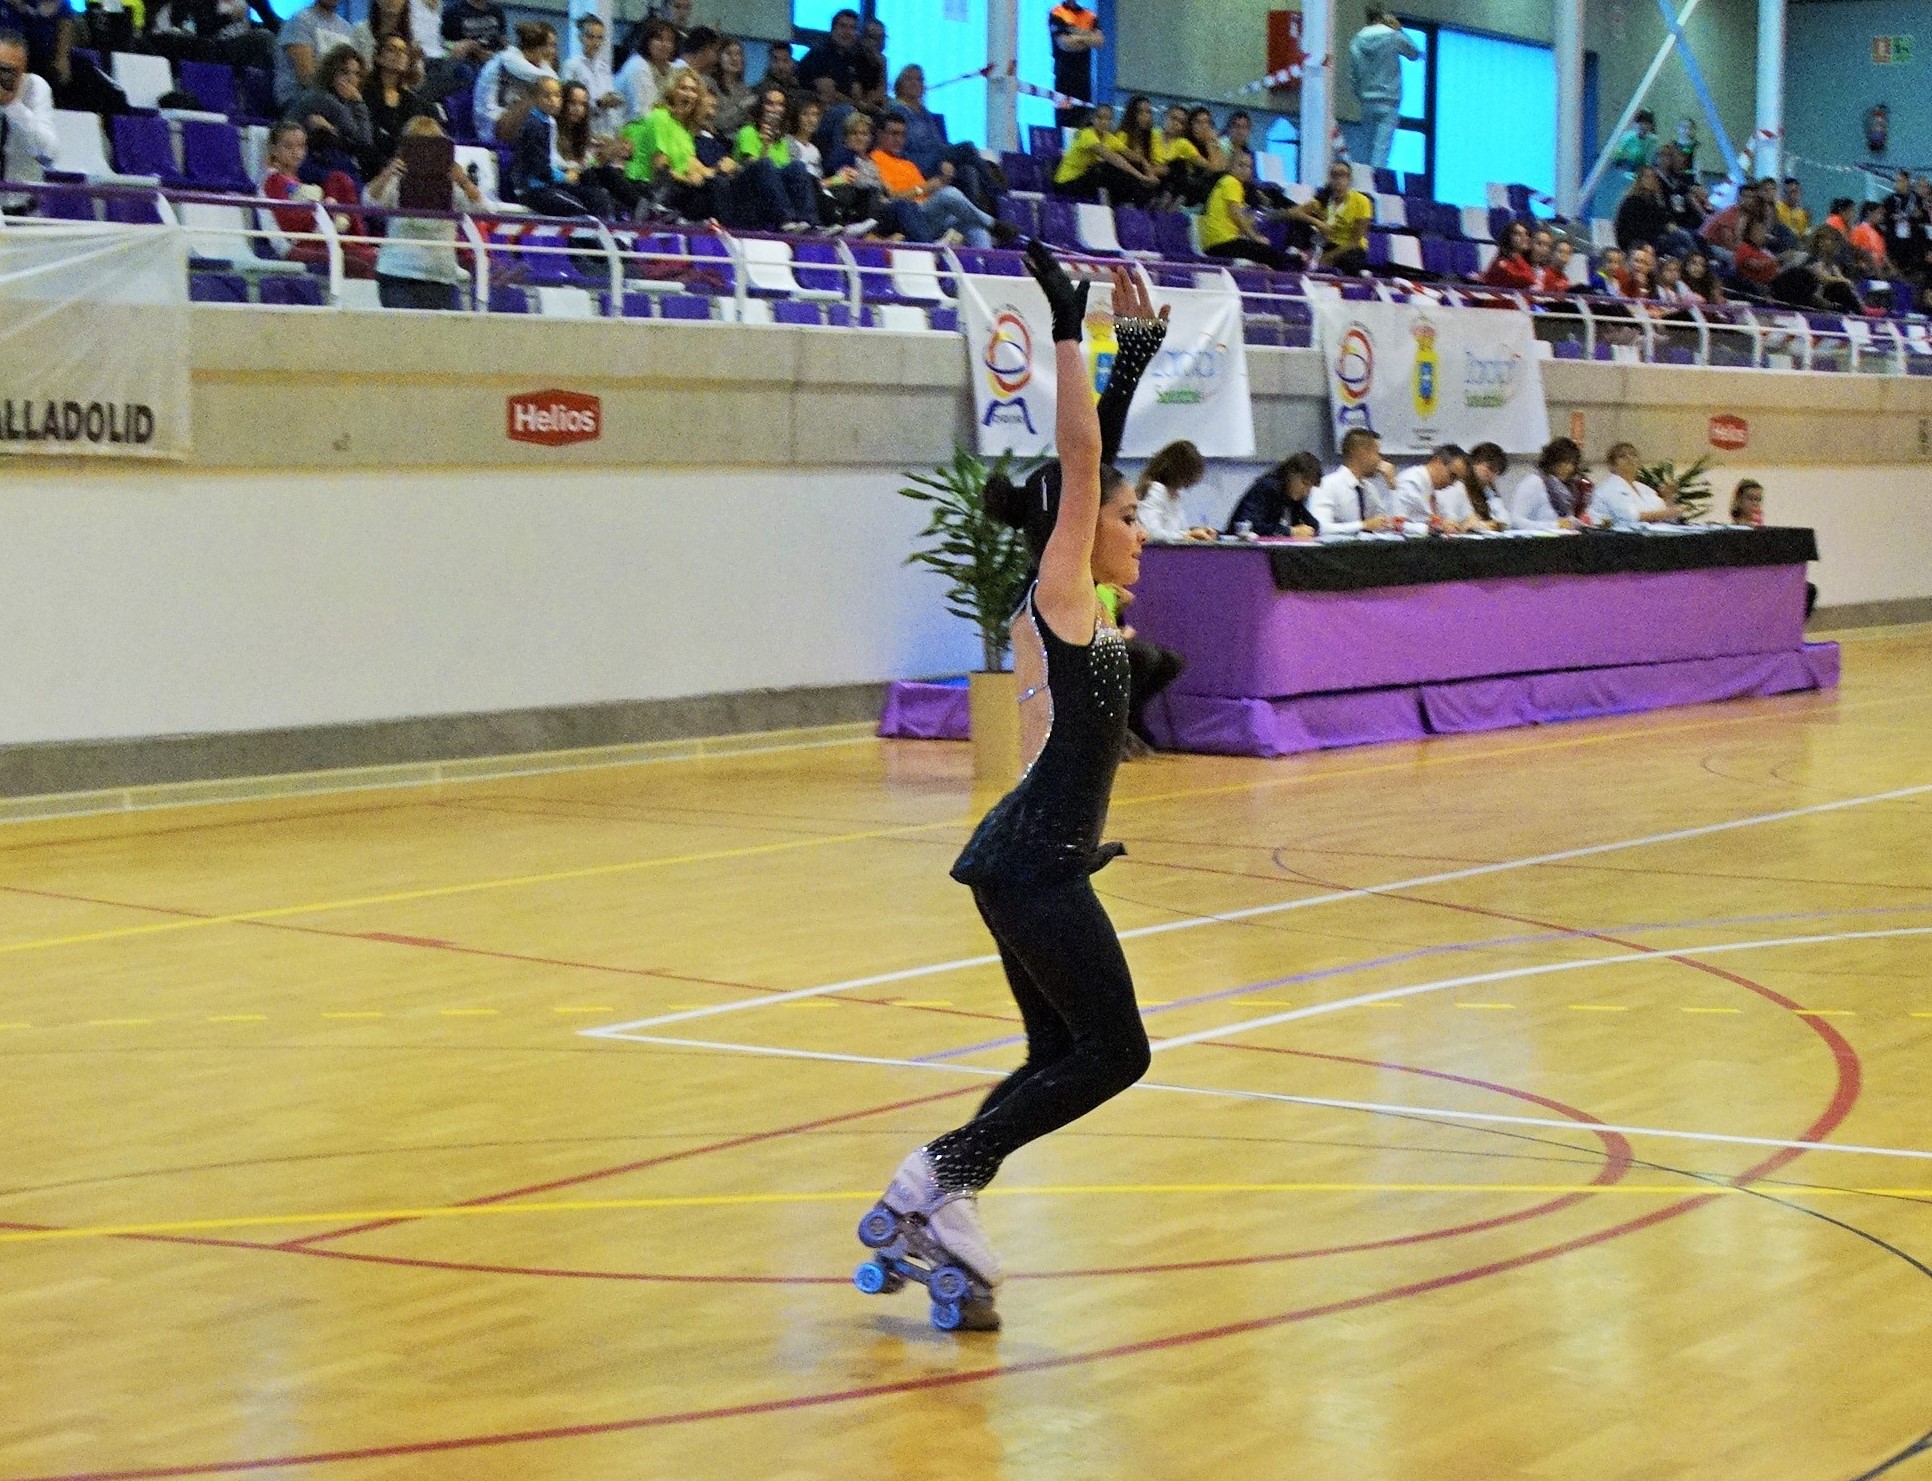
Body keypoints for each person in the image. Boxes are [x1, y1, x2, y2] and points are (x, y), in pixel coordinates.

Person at [861, 248, 1162, 1332]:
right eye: (1129, 516)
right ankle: (932, 1169)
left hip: (1028, 859)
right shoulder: (1063, 591)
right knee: (1118, 1050)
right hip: (1033, 862)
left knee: (1057, 1053)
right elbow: (1083, 465)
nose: (1141, 529)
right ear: (1083, 532)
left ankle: (943, 1202)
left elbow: (1094, 461)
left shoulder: (1087, 602)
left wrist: (1133, 358)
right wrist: (1074, 331)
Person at [365, 113, 483, 309]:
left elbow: (481, 209)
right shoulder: (396, 180)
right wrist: (387, 173)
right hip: (397, 272)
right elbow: (369, 203)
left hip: (440, 275)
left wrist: (463, 181)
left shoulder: (452, 184)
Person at [869, 111, 1012, 248]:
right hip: (906, 218)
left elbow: (928, 195)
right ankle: (994, 224)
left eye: (903, 135)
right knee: (949, 193)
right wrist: (926, 187)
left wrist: (942, 181)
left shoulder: (908, 164)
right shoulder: (873, 161)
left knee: (974, 225)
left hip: (929, 216)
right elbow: (890, 200)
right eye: (894, 134)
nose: (899, 140)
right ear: (880, 134)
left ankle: (984, 268)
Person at [889, 64, 998, 213]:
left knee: (967, 171)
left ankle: (973, 216)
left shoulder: (924, 112)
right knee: (967, 147)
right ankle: (999, 195)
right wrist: (943, 159)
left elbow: (937, 143)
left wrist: (947, 160)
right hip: (915, 161)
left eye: (919, 80)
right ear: (899, 84)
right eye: (909, 79)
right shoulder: (896, 110)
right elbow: (909, 144)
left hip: (935, 158)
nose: (915, 83)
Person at [623, 66, 726, 221]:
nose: (689, 94)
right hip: (649, 188)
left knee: (719, 184)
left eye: (693, 90)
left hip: (677, 189)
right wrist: (689, 179)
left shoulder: (684, 130)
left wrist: (725, 169)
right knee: (706, 192)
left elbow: (696, 167)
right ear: (672, 92)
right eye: (683, 88)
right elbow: (661, 170)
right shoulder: (660, 118)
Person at [509, 75, 613, 216]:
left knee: (596, 196)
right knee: (580, 211)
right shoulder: (534, 126)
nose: (553, 101)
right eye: (547, 96)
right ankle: (595, 236)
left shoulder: (548, 121)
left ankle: (612, 233)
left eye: (557, 96)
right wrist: (564, 177)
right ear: (535, 99)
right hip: (533, 189)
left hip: (549, 183)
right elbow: (540, 169)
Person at [735, 81, 817, 230]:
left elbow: (784, 173)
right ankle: (785, 219)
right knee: (765, 164)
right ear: (761, 107)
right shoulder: (748, 132)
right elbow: (755, 168)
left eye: (780, 105)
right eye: (770, 104)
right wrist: (765, 146)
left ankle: (809, 222)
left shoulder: (782, 141)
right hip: (747, 191)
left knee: (798, 166)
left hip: (773, 192)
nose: (775, 109)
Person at [288, 43, 376, 179]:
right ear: (331, 73)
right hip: (307, 162)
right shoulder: (322, 97)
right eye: (344, 72)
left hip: (330, 161)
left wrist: (333, 130)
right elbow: (364, 141)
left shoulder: (345, 101)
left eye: (356, 74)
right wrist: (358, 102)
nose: (351, 79)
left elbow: (362, 144)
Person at [1200, 150, 1299, 270]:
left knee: (1266, 252)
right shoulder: (1231, 182)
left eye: (1249, 167)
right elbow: (1236, 216)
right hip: (1221, 243)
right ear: (1230, 166)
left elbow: (1238, 218)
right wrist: (1255, 237)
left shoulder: (1228, 184)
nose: (1245, 170)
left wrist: (1254, 220)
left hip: (1217, 243)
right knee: (1270, 255)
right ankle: (1294, 269)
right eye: (1240, 165)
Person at [1348, 7, 1417, 169]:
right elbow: (1414, 53)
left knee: (1367, 149)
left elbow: (1353, 76)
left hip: (1367, 101)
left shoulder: (1356, 41)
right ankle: (1376, 186)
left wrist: (1361, 95)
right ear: (1383, 18)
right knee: (1381, 151)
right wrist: (1400, 29)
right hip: (1389, 100)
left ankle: (1364, 185)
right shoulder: (1393, 36)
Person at [1052, 103, 1152, 206]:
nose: (1104, 122)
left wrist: (1145, 164)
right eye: (1100, 118)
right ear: (1093, 119)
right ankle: (1122, 205)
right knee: (1106, 168)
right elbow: (1112, 158)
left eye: (1108, 119)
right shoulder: (1086, 134)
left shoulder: (1108, 137)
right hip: (1065, 183)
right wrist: (1140, 176)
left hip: (1084, 181)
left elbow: (1130, 154)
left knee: (1120, 169)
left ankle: (1137, 203)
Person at [0, 28, 55, 212]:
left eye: (12, 70)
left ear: (24, 68)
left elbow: (48, 155)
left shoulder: (35, 88)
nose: (5, 77)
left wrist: (13, 106)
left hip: (24, 212)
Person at [1289, 159, 1373, 274]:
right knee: (1299, 221)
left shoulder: (1362, 201)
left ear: (1349, 179)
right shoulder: (1323, 198)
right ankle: (1297, 253)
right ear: (1330, 179)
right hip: (1327, 242)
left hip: (1350, 248)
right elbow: (1293, 212)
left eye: (1343, 175)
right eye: (1334, 175)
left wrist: (1328, 257)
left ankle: (1358, 275)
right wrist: (1317, 222)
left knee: (1350, 259)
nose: (1338, 179)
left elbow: (1354, 241)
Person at [1310, 428, 1398, 534]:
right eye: (1377, 453)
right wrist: (1363, 525)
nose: (1379, 460)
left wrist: (1392, 485)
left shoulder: (1369, 489)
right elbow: (1319, 527)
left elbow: (1388, 525)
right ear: (1362, 453)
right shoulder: (1327, 485)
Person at [275, 0, 355, 105]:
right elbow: (306, 76)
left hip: (337, 98)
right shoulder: (300, 22)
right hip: (299, 99)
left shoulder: (346, 28)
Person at [1225, 451, 1322, 537]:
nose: (1306, 491)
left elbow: (1313, 524)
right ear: (1290, 474)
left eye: (1310, 487)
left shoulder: (1292, 496)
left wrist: (1309, 530)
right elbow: (1245, 525)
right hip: (1240, 549)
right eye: (1304, 484)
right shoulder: (1267, 487)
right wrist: (1290, 531)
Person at [1135, 440, 1212, 543]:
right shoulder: (1156, 490)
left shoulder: (1175, 494)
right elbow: (1150, 533)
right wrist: (1185, 535)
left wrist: (1196, 533)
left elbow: (1179, 531)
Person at [1590, 442, 1681, 526]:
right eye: (1622, 456)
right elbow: (1630, 516)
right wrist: (1668, 513)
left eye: (1633, 455)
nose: (1630, 459)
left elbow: (1666, 514)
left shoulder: (1644, 488)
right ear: (1612, 465)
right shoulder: (1608, 488)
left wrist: (1668, 498)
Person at [564, 13, 624, 139]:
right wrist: (599, 104)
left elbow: (608, 94)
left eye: (599, 38)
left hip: (605, 130)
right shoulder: (572, 66)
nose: (595, 42)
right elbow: (568, 101)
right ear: (581, 37)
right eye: (590, 37)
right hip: (582, 130)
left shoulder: (604, 67)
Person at [1507, 436, 1585, 527]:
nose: (1568, 468)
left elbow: (1564, 518)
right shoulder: (1534, 483)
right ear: (1552, 461)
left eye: (1572, 463)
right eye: (1564, 462)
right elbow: (1516, 521)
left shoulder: (1569, 489)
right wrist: (1554, 525)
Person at [1391, 444, 1474, 527]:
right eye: (1452, 476)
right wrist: (1436, 527)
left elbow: (1441, 518)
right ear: (1437, 461)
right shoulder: (1410, 482)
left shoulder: (1433, 487)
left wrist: (1450, 524)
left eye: (1456, 479)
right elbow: (1397, 523)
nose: (1452, 484)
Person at [1048, 0, 1101, 127]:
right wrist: (1087, 38)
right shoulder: (1057, 13)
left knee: (1085, 123)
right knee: (1064, 123)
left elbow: (1099, 40)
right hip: (1063, 79)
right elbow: (1064, 44)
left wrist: (1074, 36)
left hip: (1084, 80)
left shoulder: (1090, 16)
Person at [614, 16, 675, 124]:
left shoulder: (670, 69)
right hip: (629, 129)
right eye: (659, 39)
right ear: (647, 41)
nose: (665, 44)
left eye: (669, 40)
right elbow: (643, 114)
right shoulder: (638, 66)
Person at [1614, 165, 1673, 253]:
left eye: (1653, 177)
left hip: (1650, 238)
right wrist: (1664, 229)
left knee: (1680, 239)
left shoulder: (1654, 201)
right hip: (1633, 242)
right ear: (1640, 179)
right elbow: (1637, 229)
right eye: (1647, 176)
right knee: (1673, 240)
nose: (1650, 180)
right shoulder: (1632, 201)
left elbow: (1663, 219)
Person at [711, 35, 755, 136]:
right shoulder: (709, 84)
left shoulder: (746, 91)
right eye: (729, 54)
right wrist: (741, 107)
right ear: (719, 57)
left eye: (738, 54)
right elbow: (715, 122)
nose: (734, 58)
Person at [1479, 220, 1538, 290]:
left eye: (1527, 234)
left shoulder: (1524, 262)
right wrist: (1517, 257)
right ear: (1508, 238)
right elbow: (1529, 278)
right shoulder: (1501, 263)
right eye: (1518, 234)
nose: (1525, 238)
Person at [1465, 442, 1511, 528]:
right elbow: (1465, 521)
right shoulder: (1460, 486)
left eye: (1497, 472)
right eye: (1490, 468)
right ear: (1474, 463)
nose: (1492, 476)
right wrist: (1484, 526)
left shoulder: (1488, 490)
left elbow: (1505, 521)